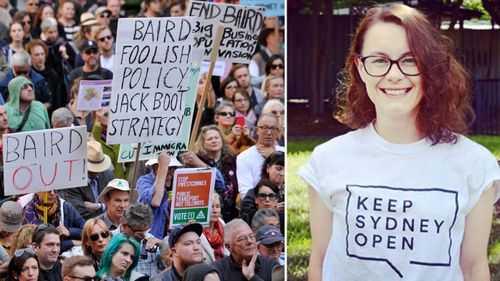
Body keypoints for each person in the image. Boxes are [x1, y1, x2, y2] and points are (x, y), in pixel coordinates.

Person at [298, 4, 500, 281]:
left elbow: (474, 268)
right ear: (360, 66)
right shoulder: (327, 159)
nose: (394, 75)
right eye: (379, 60)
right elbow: (320, 261)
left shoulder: (475, 165)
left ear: (429, 67)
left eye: (409, 60)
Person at [186, 125, 239, 221]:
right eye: (209, 139)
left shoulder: (232, 159)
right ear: (202, 143)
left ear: (222, 140)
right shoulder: (196, 161)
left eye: (216, 138)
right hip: (207, 213)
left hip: (231, 212)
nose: (214, 141)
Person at [58, 141, 114, 220]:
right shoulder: (72, 181)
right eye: (92, 168)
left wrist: (98, 206)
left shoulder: (108, 175)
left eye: (98, 167)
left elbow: (116, 202)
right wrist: (106, 208)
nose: (95, 171)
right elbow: (79, 211)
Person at [236, 114, 284, 197]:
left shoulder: (284, 152)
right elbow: (245, 193)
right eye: (265, 128)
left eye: (273, 129)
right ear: (257, 130)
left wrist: (272, 156)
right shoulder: (244, 157)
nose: (269, 133)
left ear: (278, 132)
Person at [212, 219, 277, 281]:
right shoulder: (217, 270)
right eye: (242, 239)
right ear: (229, 247)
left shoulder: (271, 266)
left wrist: (252, 277)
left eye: (251, 236)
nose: (249, 241)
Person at [136, 152, 182, 239]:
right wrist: (163, 167)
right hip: (153, 238)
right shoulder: (144, 181)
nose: (171, 171)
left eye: (173, 168)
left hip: (175, 238)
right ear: (156, 167)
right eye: (168, 168)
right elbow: (155, 202)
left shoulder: (179, 181)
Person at [111, 203, 162, 278]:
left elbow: (165, 266)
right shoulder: (109, 240)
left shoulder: (151, 239)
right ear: (124, 226)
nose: (144, 236)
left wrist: (163, 246)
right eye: (139, 233)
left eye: (146, 231)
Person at [201, 193, 229, 261]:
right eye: (211, 206)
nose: (215, 211)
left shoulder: (222, 226)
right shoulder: (197, 231)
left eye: (217, 206)